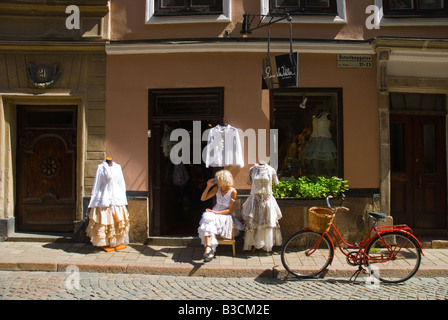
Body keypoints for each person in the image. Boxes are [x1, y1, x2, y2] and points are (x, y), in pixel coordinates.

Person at [86, 157, 130, 252]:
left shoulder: (118, 167)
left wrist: (123, 196)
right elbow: (97, 183)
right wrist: (94, 198)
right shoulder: (100, 167)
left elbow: (121, 182)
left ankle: (116, 241)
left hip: (116, 195)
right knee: (105, 219)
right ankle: (106, 242)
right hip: (104, 196)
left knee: (117, 218)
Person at [197, 170, 242, 262]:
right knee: (207, 219)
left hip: (225, 214)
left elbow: (230, 210)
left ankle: (210, 250)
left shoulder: (233, 192)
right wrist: (208, 187)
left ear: (224, 179)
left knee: (209, 220)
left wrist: (215, 213)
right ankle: (209, 248)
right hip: (215, 212)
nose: (216, 180)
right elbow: (203, 198)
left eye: (218, 179)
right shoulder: (217, 189)